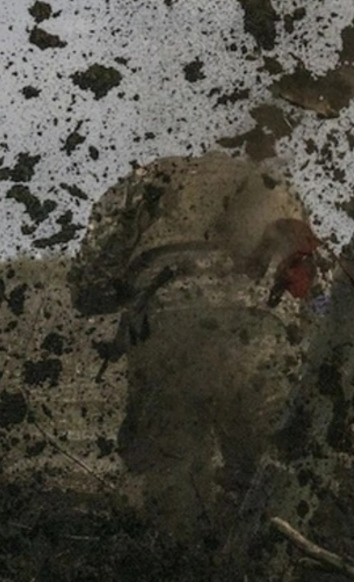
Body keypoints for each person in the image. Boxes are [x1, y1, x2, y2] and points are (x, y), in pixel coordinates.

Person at [68, 151, 323, 541]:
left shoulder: (149, 179)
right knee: (275, 470)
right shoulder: (273, 184)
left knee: (171, 475)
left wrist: (122, 293)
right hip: (261, 331)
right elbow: (317, 291)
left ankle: (180, 559)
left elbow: (89, 282)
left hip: (169, 324)